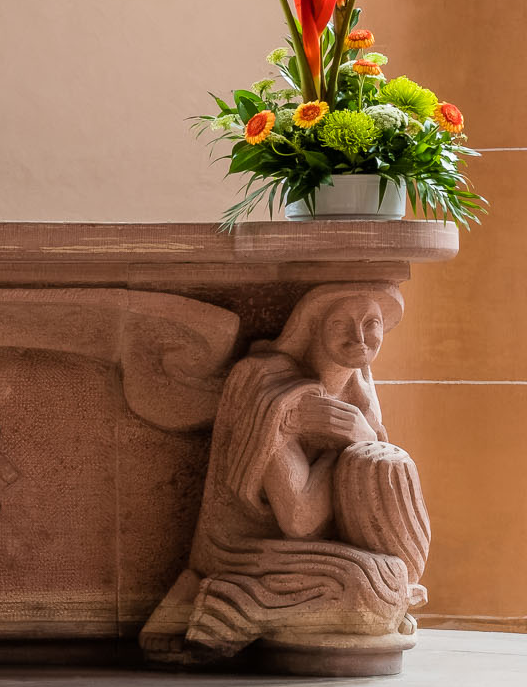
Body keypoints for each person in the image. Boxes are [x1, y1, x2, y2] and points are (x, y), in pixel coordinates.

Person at [142, 282, 432, 667]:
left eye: (372, 323)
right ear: (312, 326)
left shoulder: (359, 387)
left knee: (389, 470)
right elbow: (301, 519)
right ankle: (220, 600)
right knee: (372, 589)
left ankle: (376, 599)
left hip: (316, 556)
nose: (360, 338)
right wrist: (346, 444)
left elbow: (375, 491)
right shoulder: (268, 384)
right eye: (341, 324)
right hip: (244, 550)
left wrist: (361, 437)